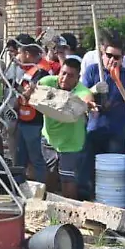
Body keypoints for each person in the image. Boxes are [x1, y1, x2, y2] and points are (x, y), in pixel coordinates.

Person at [82, 34, 125, 195]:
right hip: (94, 129)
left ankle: (110, 200)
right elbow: (80, 94)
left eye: (116, 57)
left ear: (122, 58)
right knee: (89, 169)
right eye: (109, 55)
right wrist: (93, 90)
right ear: (103, 54)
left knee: (113, 173)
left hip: (117, 131)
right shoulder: (93, 70)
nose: (112, 60)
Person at [39, 56, 94, 199]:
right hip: (49, 139)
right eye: (63, 73)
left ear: (77, 78)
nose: (64, 78)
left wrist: (87, 104)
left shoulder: (81, 90)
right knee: (49, 175)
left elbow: (87, 98)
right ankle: (47, 208)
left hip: (71, 144)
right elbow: (35, 90)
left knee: (68, 180)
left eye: (70, 76)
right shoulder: (48, 82)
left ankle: (70, 212)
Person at [12, 34, 51, 184]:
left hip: (34, 122)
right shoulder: (30, 70)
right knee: (19, 159)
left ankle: (42, 191)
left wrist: (19, 93)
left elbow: (33, 93)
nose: (18, 56)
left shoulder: (41, 71)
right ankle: (18, 188)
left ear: (27, 53)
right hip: (24, 120)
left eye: (19, 52)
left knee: (36, 159)